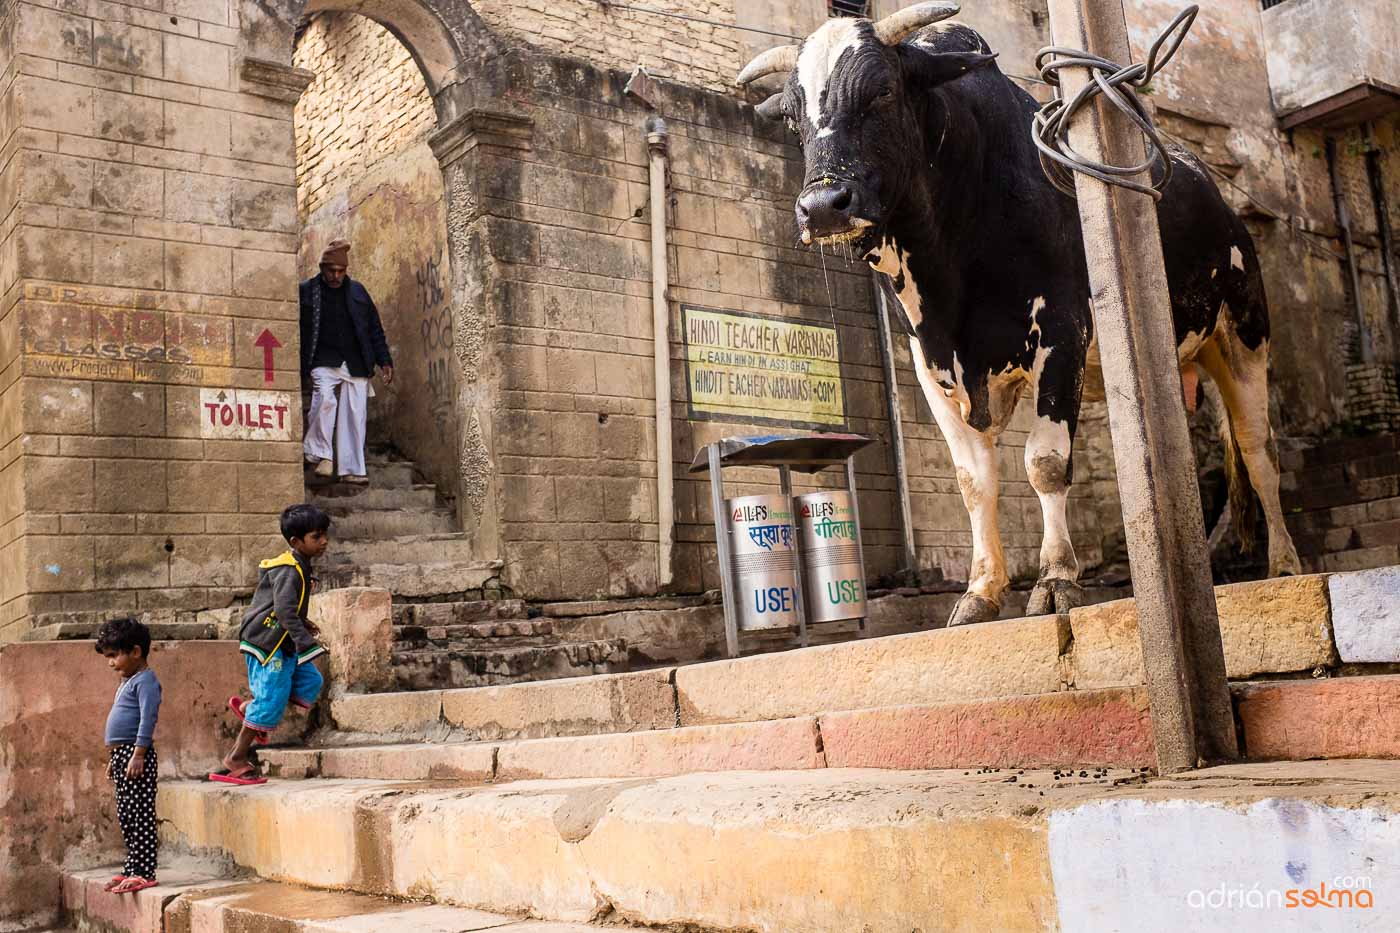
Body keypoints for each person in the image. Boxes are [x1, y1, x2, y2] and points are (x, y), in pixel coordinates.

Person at [211, 504, 330, 786]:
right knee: (272, 700)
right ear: (296, 542)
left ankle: (257, 708)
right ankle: (236, 757)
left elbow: (290, 608)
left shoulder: (301, 566)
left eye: (325, 535)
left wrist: (305, 624)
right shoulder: (288, 570)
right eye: (317, 537)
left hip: (283, 639)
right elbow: (284, 610)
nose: (324, 542)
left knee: (310, 682)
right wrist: (305, 640)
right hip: (268, 642)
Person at [300, 239, 394, 484]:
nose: (335, 276)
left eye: (340, 271)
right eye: (331, 270)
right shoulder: (307, 291)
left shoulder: (358, 292)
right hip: (322, 358)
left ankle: (351, 468)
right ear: (322, 268)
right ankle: (319, 453)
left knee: (355, 412)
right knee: (324, 398)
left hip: (355, 360)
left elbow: (374, 328)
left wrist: (384, 360)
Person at [96, 617, 162, 894]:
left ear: (135, 652)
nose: (110, 663)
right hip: (124, 754)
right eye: (108, 657)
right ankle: (133, 867)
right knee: (126, 814)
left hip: (137, 755)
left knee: (141, 813)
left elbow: (147, 719)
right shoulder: (128, 680)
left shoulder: (146, 681)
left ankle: (144, 871)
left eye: (114, 656)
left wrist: (138, 754)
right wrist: (116, 759)